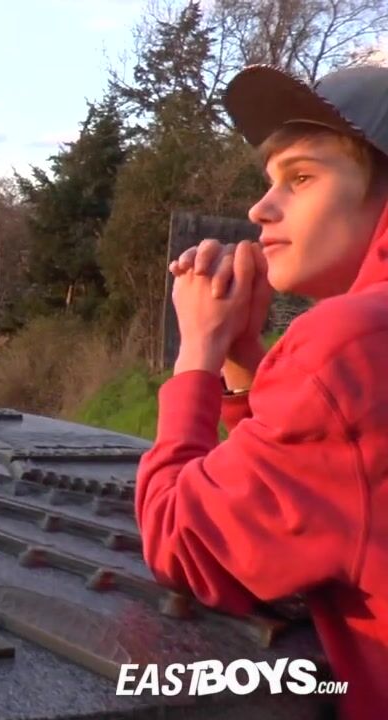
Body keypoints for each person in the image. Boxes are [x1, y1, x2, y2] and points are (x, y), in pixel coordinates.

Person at [136, 63, 388, 720]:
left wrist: (197, 353)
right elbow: (332, 483)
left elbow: (184, 544)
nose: (260, 208)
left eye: (300, 178)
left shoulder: (350, 343)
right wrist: (243, 363)